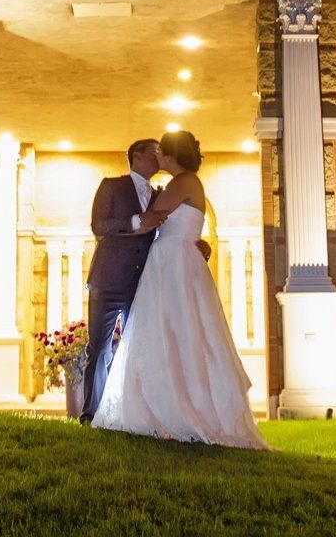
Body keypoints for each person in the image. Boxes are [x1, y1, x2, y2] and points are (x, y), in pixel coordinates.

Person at [90, 130, 269, 449]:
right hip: (174, 260)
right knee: (175, 330)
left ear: (169, 157)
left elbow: (153, 218)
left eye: (161, 151)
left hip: (172, 263)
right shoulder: (183, 184)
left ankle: (174, 406)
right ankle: (169, 400)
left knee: (172, 330)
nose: (157, 155)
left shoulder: (179, 184)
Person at [80, 138, 161, 424]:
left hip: (143, 285)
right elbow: (98, 226)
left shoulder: (160, 195)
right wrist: (137, 221)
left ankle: (129, 413)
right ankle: (91, 413)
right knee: (100, 348)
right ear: (136, 157)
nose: (159, 158)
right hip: (108, 281)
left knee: (137, 350)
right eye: (154, 153)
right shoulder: (111, 186)